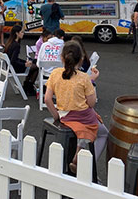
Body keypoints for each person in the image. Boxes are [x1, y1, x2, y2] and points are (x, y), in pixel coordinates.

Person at [44, 41, 107, 174]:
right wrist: (92, 80)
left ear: (62, 58)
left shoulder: (55, 74)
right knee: (103, 133)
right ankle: (86, 164)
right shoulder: (84, 78)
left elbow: (47, 99)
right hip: (82, 116)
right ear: (81, 59)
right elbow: (91, 104)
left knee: (84, 127)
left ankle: (79, 151)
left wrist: (56, 115)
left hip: (65, 115)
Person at [4, 25, 39, 96]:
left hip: (9, 67)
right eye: (22, 32)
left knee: (32, 66)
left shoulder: (10, 42)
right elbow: (13, 60)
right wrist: (24, 64)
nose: (23, 33)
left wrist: (24, 62)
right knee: (36, 67)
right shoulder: (16, 45)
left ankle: (27, 86)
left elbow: (13, 58)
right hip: (14, 68)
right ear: (17, 33)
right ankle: (29, 87)